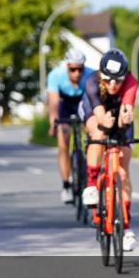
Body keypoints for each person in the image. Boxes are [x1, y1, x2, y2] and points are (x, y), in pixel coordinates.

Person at [80, 49, 138, 251]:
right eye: (108, 80)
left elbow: (127, 108)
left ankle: (127, 226)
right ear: (101, 76)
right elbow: (100, 114)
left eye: (118, 81)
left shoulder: (131, 82)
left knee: (123, 171)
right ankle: (91, 184)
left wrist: (125, 118)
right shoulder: (91, 82)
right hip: (95, 110)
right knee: (99, 133)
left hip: (117, 111)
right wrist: (105, 123)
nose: (113, 84)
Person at [46, 48, 93, 203]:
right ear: (67, 66)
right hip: (65, 105)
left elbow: (94, 102)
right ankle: (66, 185)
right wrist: (53, 122)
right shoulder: (55, 75)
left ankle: (88, 163)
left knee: (92, 133)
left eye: (80, 69)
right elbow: (53, 102)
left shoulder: (90, 75)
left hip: (82, 103)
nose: (77, 74)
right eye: (73, 69)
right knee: (63, 140)